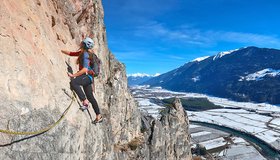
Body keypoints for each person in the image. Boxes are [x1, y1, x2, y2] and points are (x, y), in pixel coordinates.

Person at [61, 37, 102, 123]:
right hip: (89, 78)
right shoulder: (84, 53)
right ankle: (98, 116)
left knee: (74, 82)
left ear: (84, 45)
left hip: (86, 76)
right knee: (90, 96)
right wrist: (60, 50)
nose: (80, 43)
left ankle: (84, 101)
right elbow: (71, 54)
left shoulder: (85, 55)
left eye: (82, 43)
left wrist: (73, 75)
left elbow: (85, 69)